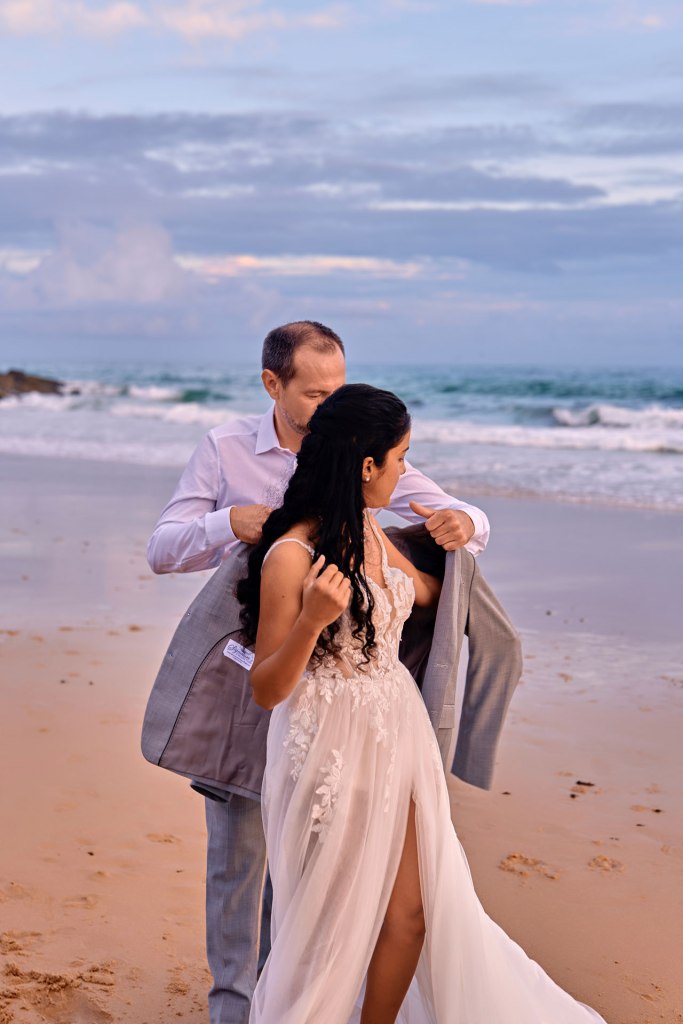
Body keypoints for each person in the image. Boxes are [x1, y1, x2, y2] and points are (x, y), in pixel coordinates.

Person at [147, 321, 522, 1023]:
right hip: (250, 685)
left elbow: (458, 516)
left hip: (359, 702)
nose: (327, 405)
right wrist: (234, 522)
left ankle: (297, 997)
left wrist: (462, 527)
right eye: (314, 393)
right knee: (240, 861)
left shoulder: (365, 459)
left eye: (336, 390)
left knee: (317, 883)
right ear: (273, 385)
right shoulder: (225, 449)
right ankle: (237, 1009)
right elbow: (162, 549)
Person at [238, 383, 606, 1024]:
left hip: (396, 730)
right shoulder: (289, 556)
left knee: (411, 914)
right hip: (326, 742)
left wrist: (455, 543)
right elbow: (267, 688)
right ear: (366, 467)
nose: (406, 471)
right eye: (401, 458)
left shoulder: (373, 535)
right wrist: (311, 621)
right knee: (330, 927)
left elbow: (427, 593)